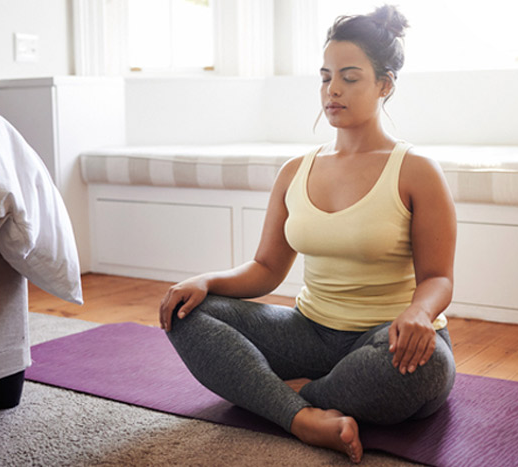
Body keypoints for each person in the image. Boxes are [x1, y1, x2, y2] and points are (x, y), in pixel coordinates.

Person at [158, 5, 457, 464]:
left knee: (428, 367)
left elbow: (438, 278)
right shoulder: (295, 171)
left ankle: (280, 395)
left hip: (387, 340)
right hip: (308, 333)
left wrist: (419, 312)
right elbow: (265, 270)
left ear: (385, 84)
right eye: (325, 77)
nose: (332, 90)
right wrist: (206, 282)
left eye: (350, 77)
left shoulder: (416, 171)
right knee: (185, 313)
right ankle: (303, 417)